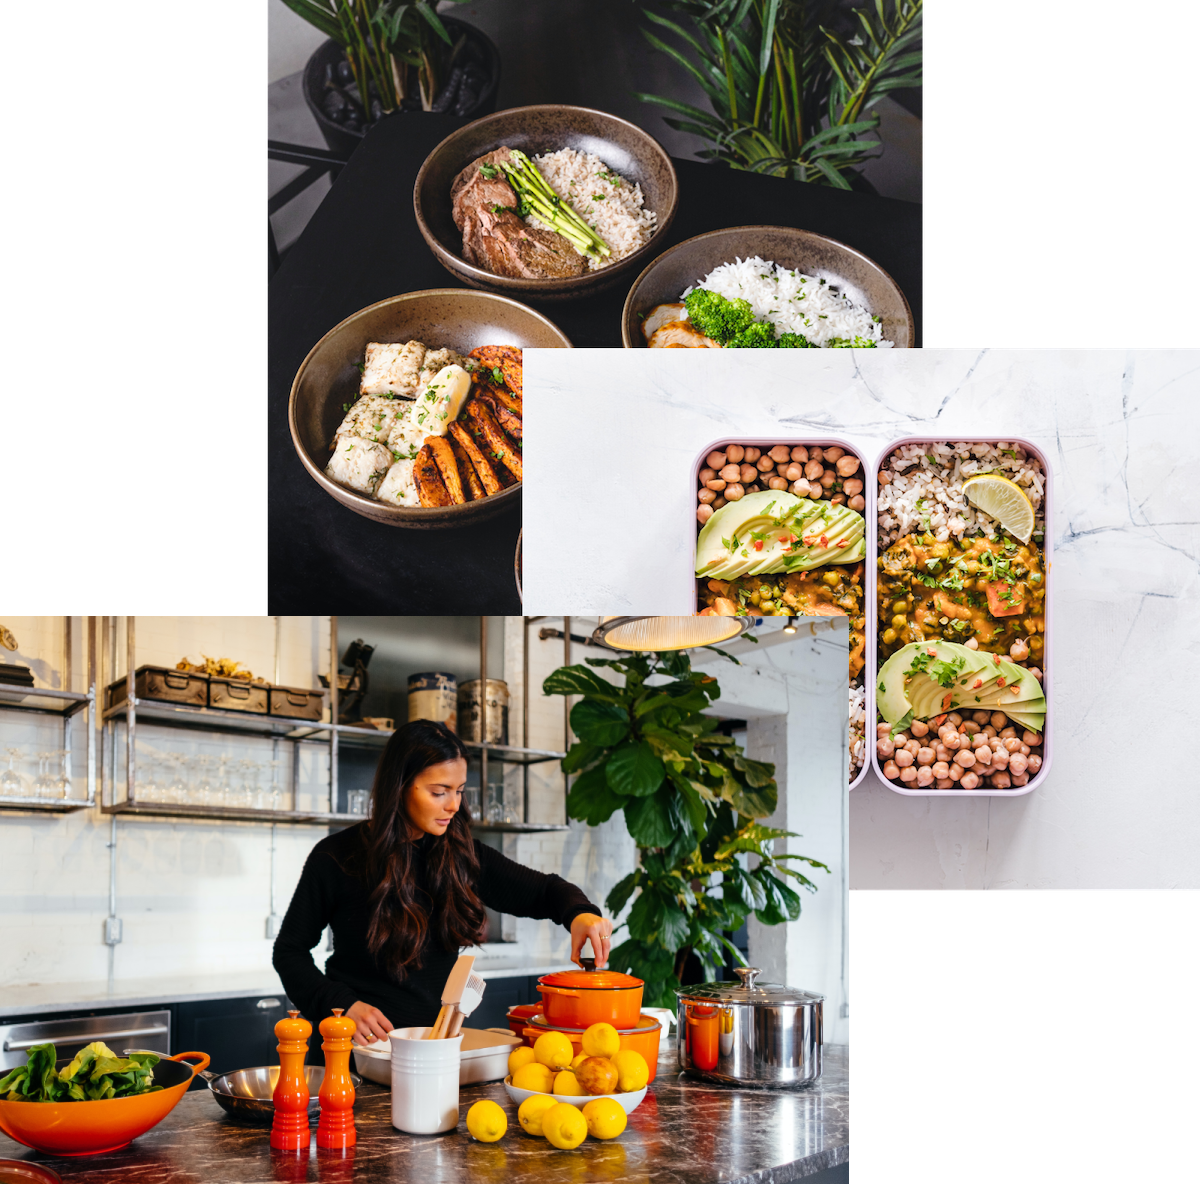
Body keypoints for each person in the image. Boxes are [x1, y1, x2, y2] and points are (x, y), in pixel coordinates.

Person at [273, 719, 613, 1045]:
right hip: (353, 1051)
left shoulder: (461, 855)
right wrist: (343, 1005)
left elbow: (545, 891)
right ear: (400, 785)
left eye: (459, 791)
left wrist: (579, 913)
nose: (453, 805)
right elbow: (289, 952)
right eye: (439, 792)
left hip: (434, 1050)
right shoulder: (336, 857)